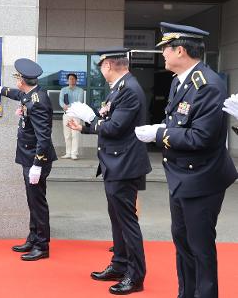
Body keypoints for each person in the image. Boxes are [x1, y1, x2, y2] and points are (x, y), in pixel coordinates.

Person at [135, 22, 238, 298]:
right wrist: (164, 130)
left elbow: (199, 138)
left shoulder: (208, 85)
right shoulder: (179, 82)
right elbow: (178, 124)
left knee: (200, 246)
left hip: (202, 178)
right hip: (180, 177)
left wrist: (159, 133)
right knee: (182, 242)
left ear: (180, 50)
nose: (163, 55)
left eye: (166, 49)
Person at [67, 48, 150, 295]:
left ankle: (135, 276)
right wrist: (86, 127)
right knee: (117, 220)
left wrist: (91, 120)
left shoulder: (129, 90)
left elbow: (114, 126)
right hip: (115, 163)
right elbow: (109, 120)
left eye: (102, 65)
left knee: (127, 222)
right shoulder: (120, 88)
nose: (101, 70)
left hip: (124, 165)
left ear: (109, 66)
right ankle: (119, 264)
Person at [0, 58, 57, 261]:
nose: (16, 81)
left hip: (36, 159)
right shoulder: (30, 94)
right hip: (29, 156)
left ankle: (42, 246)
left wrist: (37, 164)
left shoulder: (38, 101)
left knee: (38, 202)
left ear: (22, 79)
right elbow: (18, 95)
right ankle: (33, 238)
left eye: (17, 77)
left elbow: (44, 137)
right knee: (32, 201)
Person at [59, 73, 84, 159]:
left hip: (76, 115)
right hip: (66, 115)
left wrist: (68, 107)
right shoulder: (63, 90)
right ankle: (68, 153)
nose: (71, 80)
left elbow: (79, 102)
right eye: (70, 79)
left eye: (73, 79)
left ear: (76, 80)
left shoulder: (80, 90)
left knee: (75, 134)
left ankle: (74, 153)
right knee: (67, 135)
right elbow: (61, 101)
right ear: (67, 80)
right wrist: (63, 106)